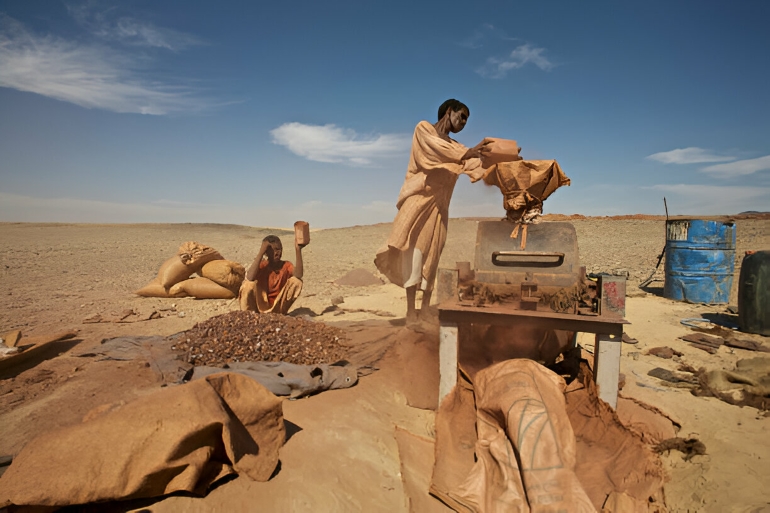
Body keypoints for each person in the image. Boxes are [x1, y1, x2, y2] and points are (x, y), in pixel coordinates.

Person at [374, 99, 492, 325]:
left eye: (467, 120)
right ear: (449, 111)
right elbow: (436, 150)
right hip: (418, 203)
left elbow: (473, 163)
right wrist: (469, 152)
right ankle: (411, 312)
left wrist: (496, 163)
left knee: (432, 256)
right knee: (414, 253)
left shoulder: (457, 148)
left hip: (439, 208)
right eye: (462, 116)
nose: (464, 123)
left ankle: (425, 309)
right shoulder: (424, 130)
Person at [239, 234, 304, 315]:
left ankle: (280, 314)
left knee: (297, 281)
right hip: (260, 307)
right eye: (275, 250)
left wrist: (298, 250)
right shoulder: (263, 265)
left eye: (280, 250)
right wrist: (261, 252)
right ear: (267, 252)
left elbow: (299, 274)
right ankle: (247, 315)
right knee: (247, 285)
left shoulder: (286, 265)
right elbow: (250, 277)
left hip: (278, 307)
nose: (278, 253)